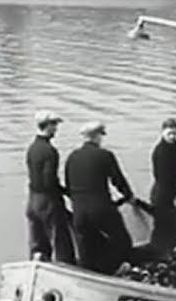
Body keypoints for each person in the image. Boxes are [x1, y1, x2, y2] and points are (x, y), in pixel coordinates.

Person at [65, 121, 135, 274]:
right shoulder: (105, 155)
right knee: (122, 239)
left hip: (79, 212)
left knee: (86, 247)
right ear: (97, 136)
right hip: (101, 208)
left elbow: (69, 185)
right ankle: (113, 270)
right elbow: (118, 180)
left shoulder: (72, 157)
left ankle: (88, 275)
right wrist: (129, 195)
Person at [25, 110, 75, 264]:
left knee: (38, 241)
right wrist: (67, 194)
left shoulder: (32, 148)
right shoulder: (50, 151)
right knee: (61, 240)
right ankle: (66, 269)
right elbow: (49, 181)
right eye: (54, 125)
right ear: (47, 126)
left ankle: (37, 264)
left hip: (32, 199)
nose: (56, 129)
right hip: (47, 200)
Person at [150, 118, 176, 253]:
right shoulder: (159, 151)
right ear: (162, 132)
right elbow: (161, 176)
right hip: (162, 192)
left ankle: (169, 250)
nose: (172, 137)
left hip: (172, 191)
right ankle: (157, 250)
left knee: (173, 224)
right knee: (162, 225)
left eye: (175, 134)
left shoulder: (175, 145)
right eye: (169, 133)